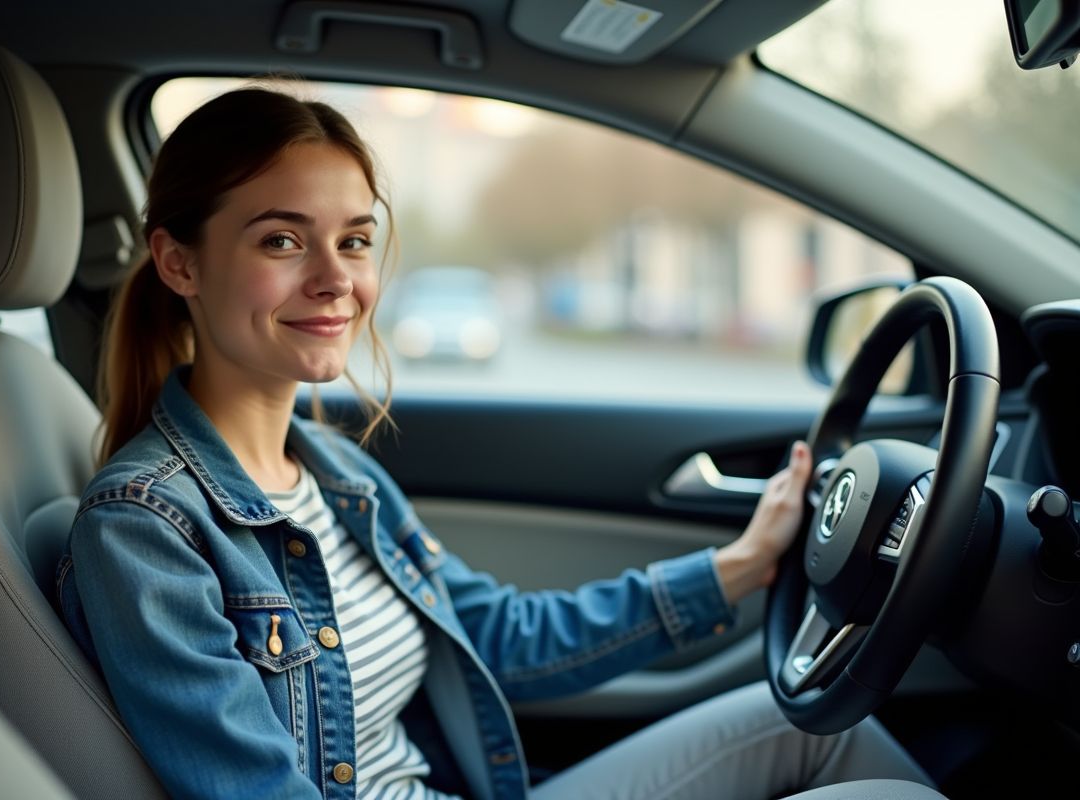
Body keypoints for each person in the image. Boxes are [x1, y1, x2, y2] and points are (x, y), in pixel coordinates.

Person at [57, 87, 935, 800]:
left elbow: (497, 635)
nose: (336, 281)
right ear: (179, 263)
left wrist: (741, 566)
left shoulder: (334, 473)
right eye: (282, 240)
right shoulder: (145, 530)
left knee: (826, 728)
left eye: (355, 240)